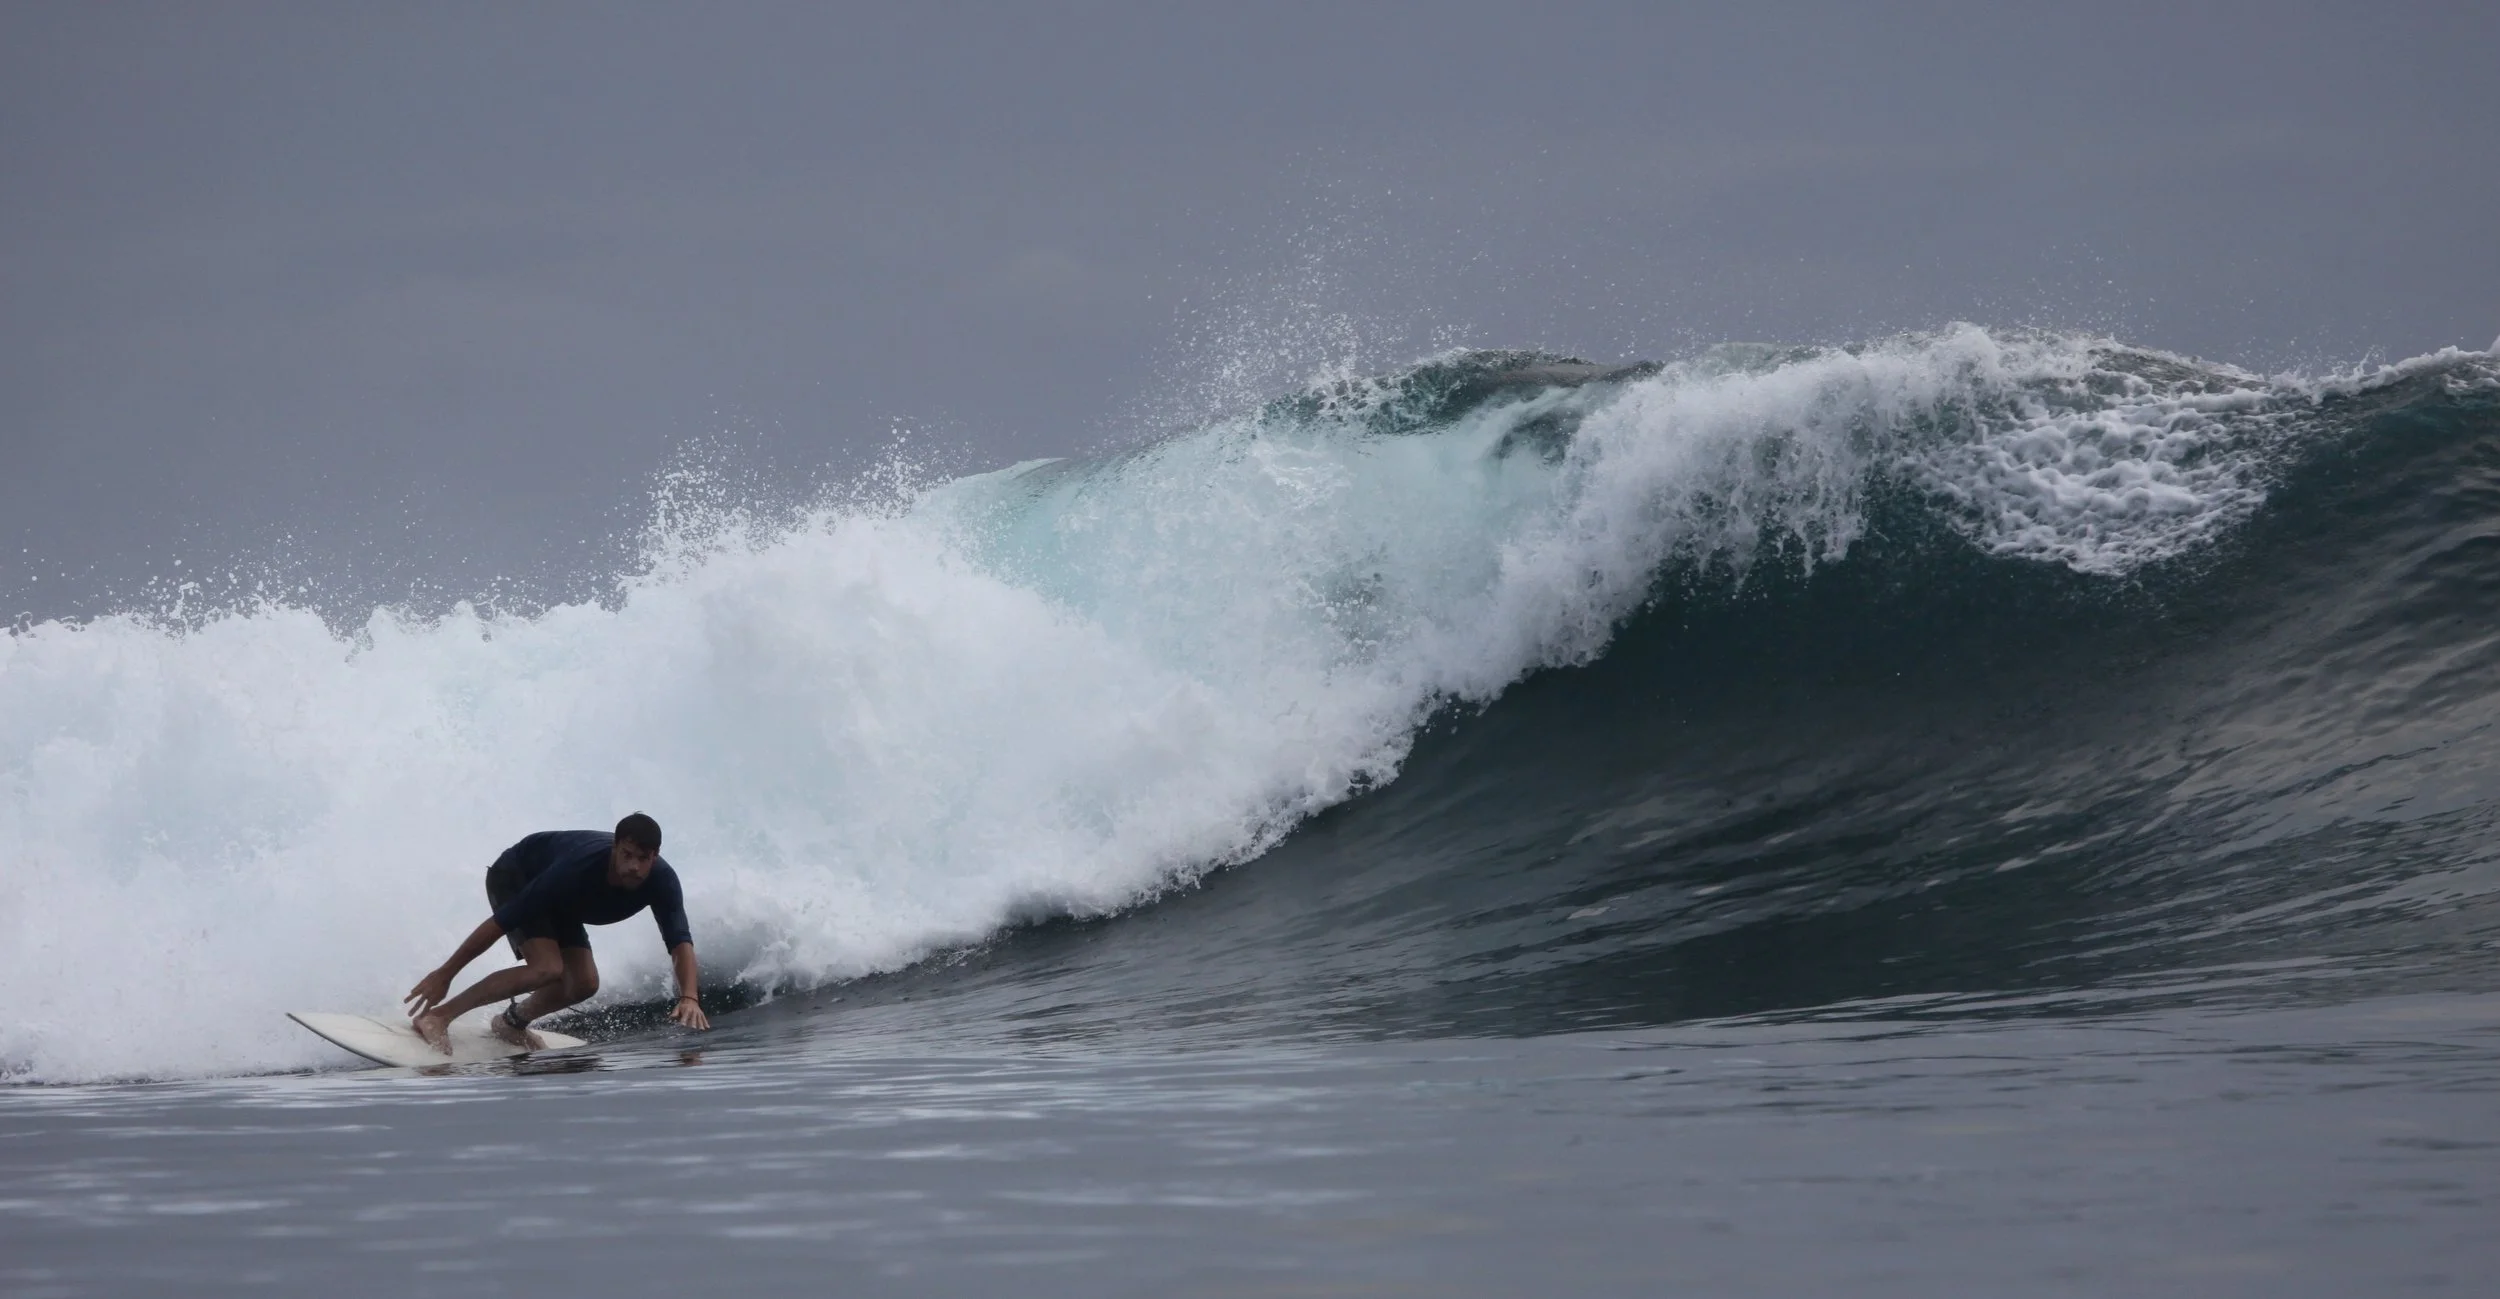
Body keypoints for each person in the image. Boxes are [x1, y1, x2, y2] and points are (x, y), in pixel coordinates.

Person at [403, 812, 710, 1053]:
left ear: (654, 856)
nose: (633, 866)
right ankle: (438, 1017)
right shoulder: (578, 868)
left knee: (585, 984)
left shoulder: (663, 882)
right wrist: (446, 973)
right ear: (615, 848)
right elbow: (499, 924)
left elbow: (679, 942)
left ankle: (511, 1023)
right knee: (547, 969)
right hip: (518, 876)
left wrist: (689, 997)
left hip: (564, 903)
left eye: (642, 859)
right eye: (627, 854)